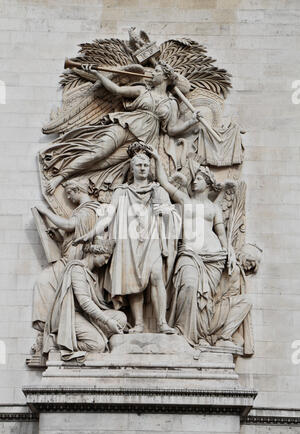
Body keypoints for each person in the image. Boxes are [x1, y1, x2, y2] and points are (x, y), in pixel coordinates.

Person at [42, 61, 200, 195]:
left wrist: (191, 121)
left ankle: (72, 177)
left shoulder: (171, 103)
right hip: (125, 125)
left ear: (165, 77)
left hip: (142, 141)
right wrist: (97, 74)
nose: (152, 74)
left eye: (157, 72)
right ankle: (60, 177)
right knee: (98, 152)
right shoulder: (142, 90)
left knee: (105, 163)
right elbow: (116, 90)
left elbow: (171, 130)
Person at [73, 142, 181, 334]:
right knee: (134, 281)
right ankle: (139, 323)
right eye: (139, 165)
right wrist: (90, 234)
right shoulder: (121, 192)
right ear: (132, 167)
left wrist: (162, 211)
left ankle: (162, 323)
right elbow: (108, 215)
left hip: (152, 238)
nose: (142, 168)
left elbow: (170, 215)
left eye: (146, 165)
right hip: (129, 241)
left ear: (150, 168)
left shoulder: (158, 190)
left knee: (156, 275)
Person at [150, 147, 233, 347]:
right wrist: (156, 159)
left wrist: (229, 251)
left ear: (208, 184)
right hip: (189, 253)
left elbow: (221, 233)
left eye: (199, 179)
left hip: (213, 256)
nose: (194, 181)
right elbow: (164, 183)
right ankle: (182, 331)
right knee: (188, 285)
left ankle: (199, 335)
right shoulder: (185, 200)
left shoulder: (214, 208)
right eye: (194, 178)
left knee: (203, 299)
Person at [32, 180, 103, 332]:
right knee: (45, 283)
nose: (68, 198)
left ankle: (48, 325)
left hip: (74, 260)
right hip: (70, 256)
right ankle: (50, 325)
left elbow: (70, 225)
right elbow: (73, 235)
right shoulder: (82, 210)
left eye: (69, 194)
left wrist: (46, 212)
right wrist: (58, 237)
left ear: (77, 190)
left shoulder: (89, 209)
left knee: (43, 281)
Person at [43, 239, 127, 361]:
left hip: (86, 316)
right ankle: (57, 341)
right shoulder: (77, 269)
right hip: (72, 316)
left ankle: (97, 333)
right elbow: (85, 303)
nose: (106, 262)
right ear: (95, 254)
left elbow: (97, 304)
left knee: (121, 318)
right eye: (106, 257)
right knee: (97, 345)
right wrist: (108, 321)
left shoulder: (91, 274)